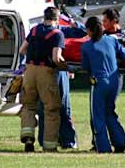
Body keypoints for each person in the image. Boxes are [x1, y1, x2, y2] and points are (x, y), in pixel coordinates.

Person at [19, 7, 65, 152]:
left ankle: (27, 137)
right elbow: (56, 57)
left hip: (29, 71)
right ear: (56, 19)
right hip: (46, 72)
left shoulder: (33, 30)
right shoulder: (57, 34)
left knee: (28, 105)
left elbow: (22, 50)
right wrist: (65, 66)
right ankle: (49, 145)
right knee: (51, 109)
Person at [81, 16, 125, 153]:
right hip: (114, 81)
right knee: (109, 112)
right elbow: (124, 55)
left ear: (89, 31)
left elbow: (85, 66)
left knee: (97, 116)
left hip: (99, 83)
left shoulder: (86, 47)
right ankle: (120, 142)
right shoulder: (112, 41)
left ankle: (103, 147)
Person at [37, 15, 85, 149]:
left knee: (45, 107)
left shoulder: (36, 31)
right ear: (56, 19)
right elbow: (83, 32)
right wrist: (71, 21)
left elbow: (82, 32)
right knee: (61, 106)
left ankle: (47, 140)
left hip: (42, 72)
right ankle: (67, 141)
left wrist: (71, 22)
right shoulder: (58, 31)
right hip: (57, 70)